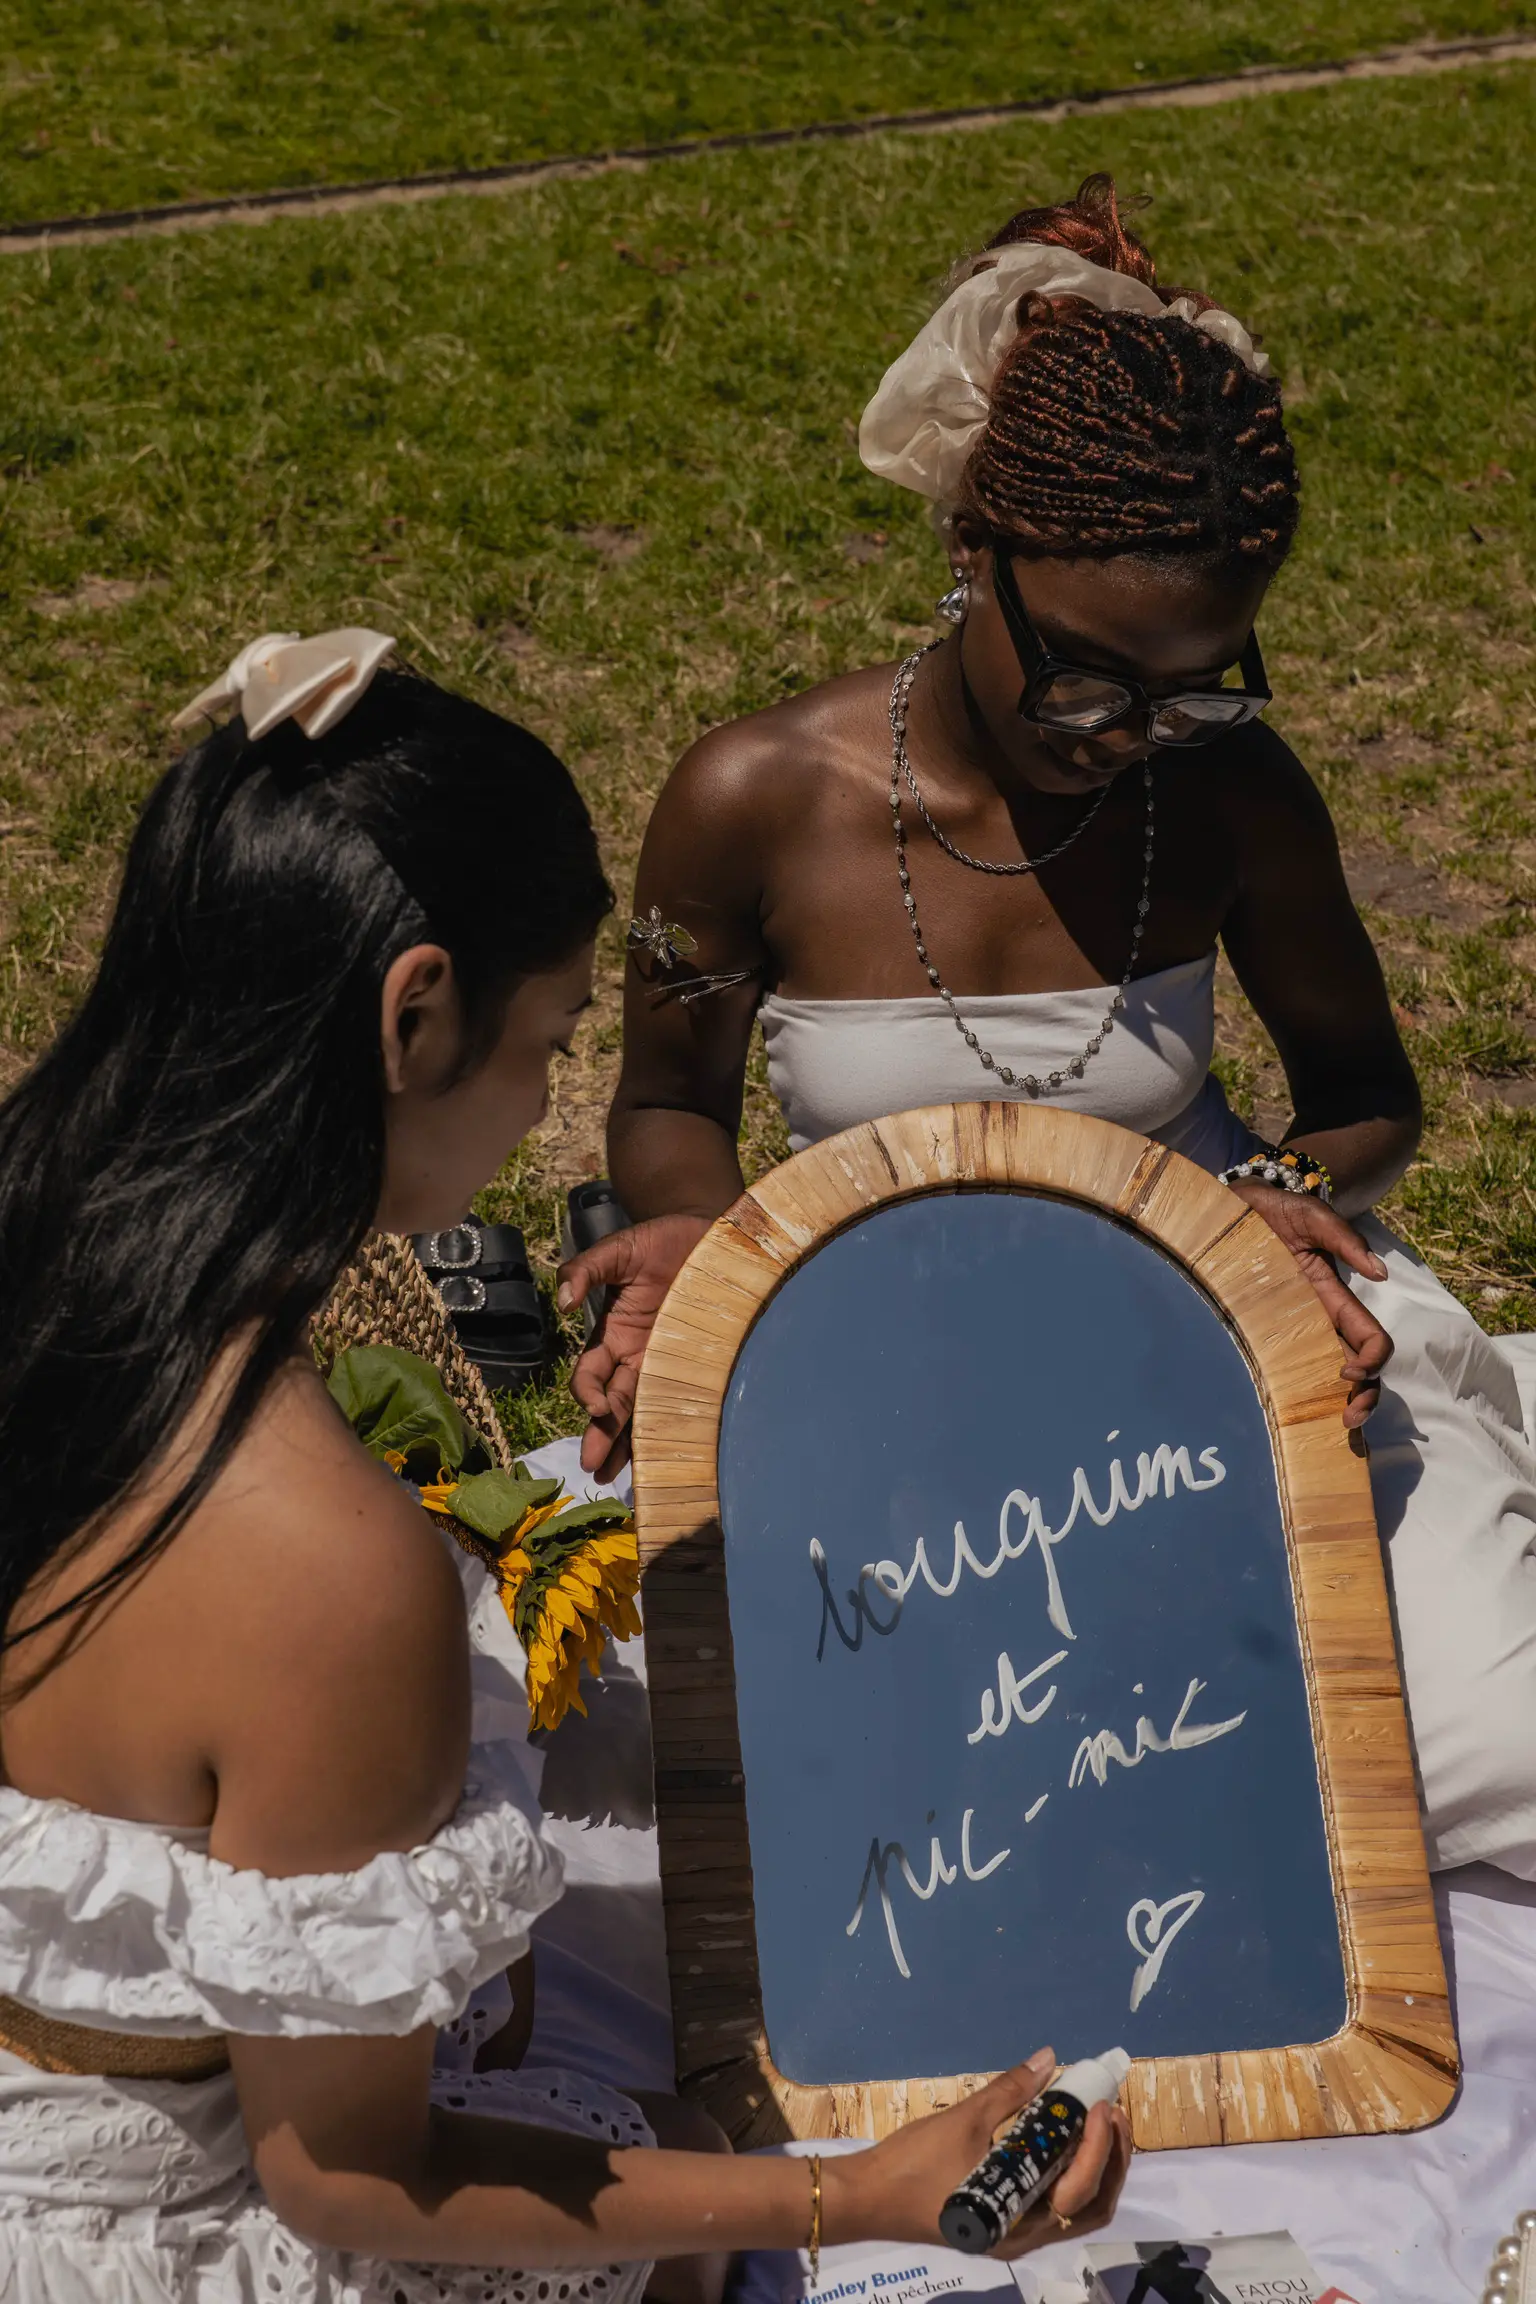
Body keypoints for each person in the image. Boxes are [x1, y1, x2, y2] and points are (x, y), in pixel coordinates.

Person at [0, 630, 1130, 2299]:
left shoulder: (50, 1235)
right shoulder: (317, 1558)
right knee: (678, 2215)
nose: (547, 1110)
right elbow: (349, 2183)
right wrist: (858, 2197)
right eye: (548, 1044)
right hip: (135, 2227)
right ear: (416, 1011)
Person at [561, 177, 1536, 1884]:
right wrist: (694, 1251)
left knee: (1479, 1740)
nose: (1131, 733)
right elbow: (669, 1101)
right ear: (970, 552)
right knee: (727, 1795)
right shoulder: (754, 797)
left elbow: (1366, 1091)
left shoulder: (1229, 793)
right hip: (879, 1337)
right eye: (1085, 677)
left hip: (1208, 1322)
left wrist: (1277, 1196)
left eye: (1200, 683)